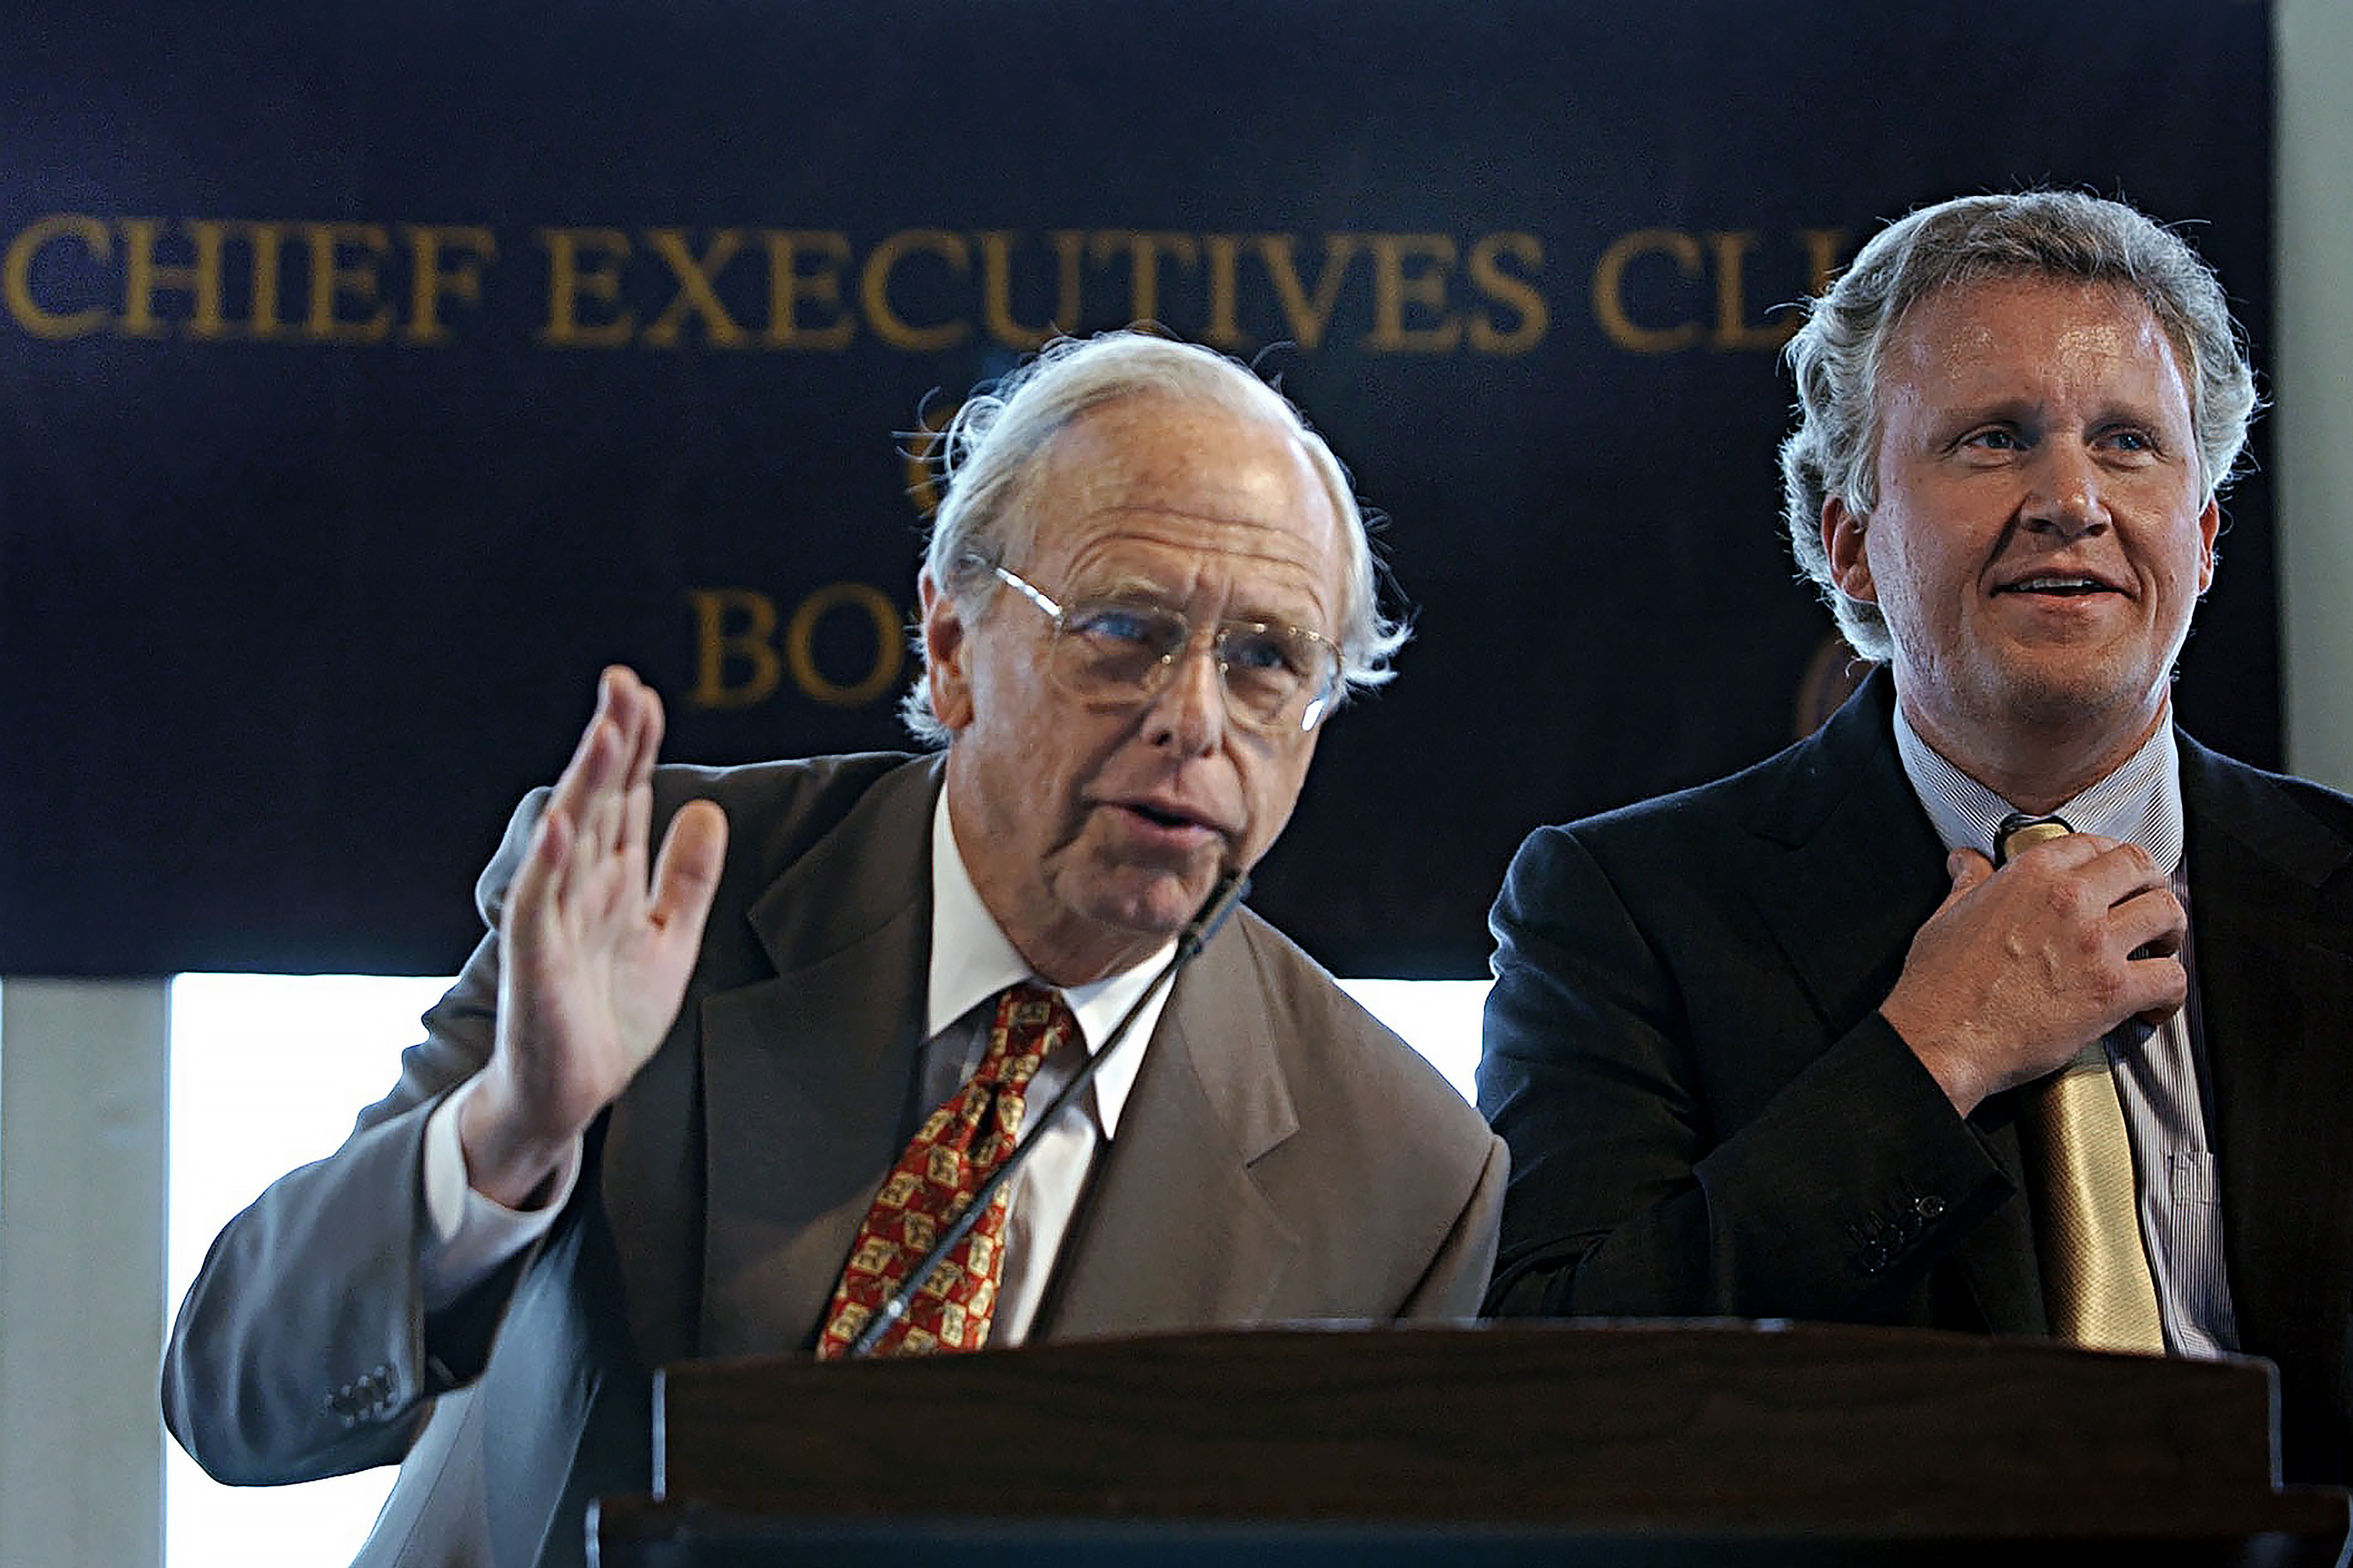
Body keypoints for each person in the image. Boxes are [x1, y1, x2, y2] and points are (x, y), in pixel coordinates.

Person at [164, 329, 1506, 1568]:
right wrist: (512, 1130)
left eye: (1267, 660)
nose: (1195, 721)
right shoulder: (666, 902)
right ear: (953, 644)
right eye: (1125, 631)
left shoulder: (1404, 1176)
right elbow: (236, 1393)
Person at [1479, 190, 2353, 1484]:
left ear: (2207, 535)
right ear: (1850, 544)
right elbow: (1551, 1400)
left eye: (2127, 443)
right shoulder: (1622, 910)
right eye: (1995, 440)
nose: (2072, 500)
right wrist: (1934, 1051)